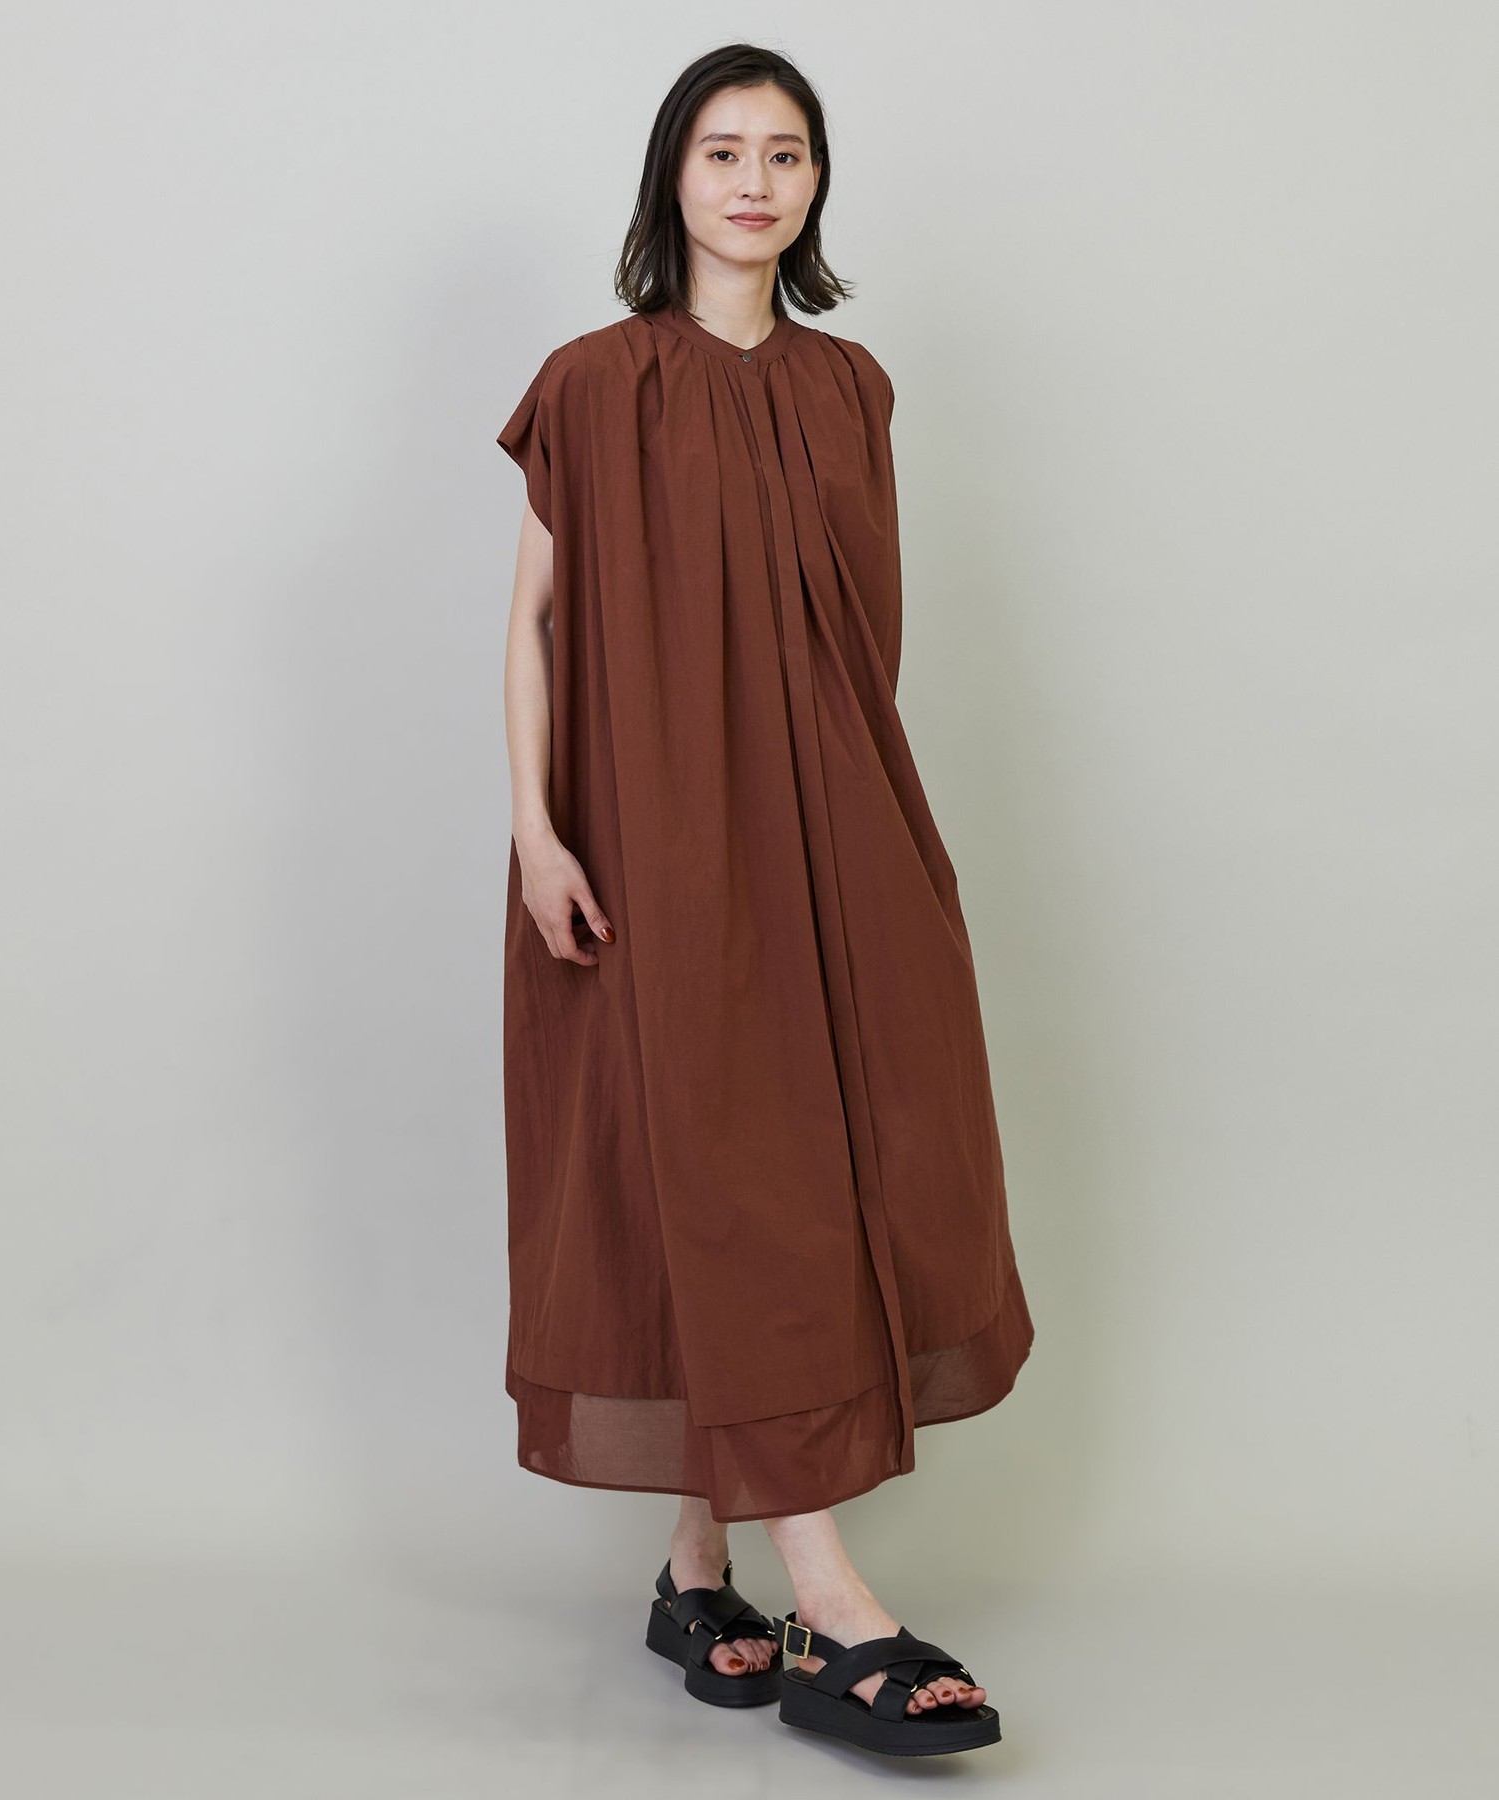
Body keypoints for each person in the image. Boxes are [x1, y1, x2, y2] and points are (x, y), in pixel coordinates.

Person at [496, 43, 1035, 1758]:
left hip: (841, 832)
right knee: (737, 1185)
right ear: (673, 176)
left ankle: (693, 1579)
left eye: (785, 153)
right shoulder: (592, 385)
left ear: (815, 186)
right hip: (654, 843)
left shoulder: (851, 389)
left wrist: (859, 837)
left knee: (814, 1169)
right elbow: (539, 622)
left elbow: (851, 642)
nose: (753, 181)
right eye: (722, 150)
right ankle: (837, 1609)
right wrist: (538, 832)